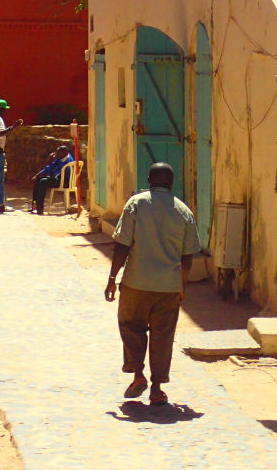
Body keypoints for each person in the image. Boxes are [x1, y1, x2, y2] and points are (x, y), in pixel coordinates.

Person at [104, 162, 200, 406]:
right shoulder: (184, 211)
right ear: (171, 183)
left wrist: (112, 278)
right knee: (163, 335)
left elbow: (122, 245)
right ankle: (157, 387)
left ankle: (138, 374)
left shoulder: (136, 204)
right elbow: (187, 256)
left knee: (130, 326)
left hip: (136, 283)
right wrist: (182, 287)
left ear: (149, 180)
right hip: (168, 286)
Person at [30, 145, 75, 214]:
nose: (56, 153)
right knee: (38, 180)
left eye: (58, 152)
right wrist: (38, 175)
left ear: (64, 153)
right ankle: (34, 206)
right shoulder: (60, 158)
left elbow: (53, 174)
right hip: (59, 178)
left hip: (65, 181)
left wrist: (50, 162)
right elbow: (48, 169)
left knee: (43, 182)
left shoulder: (67, 161)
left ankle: (40, 209)